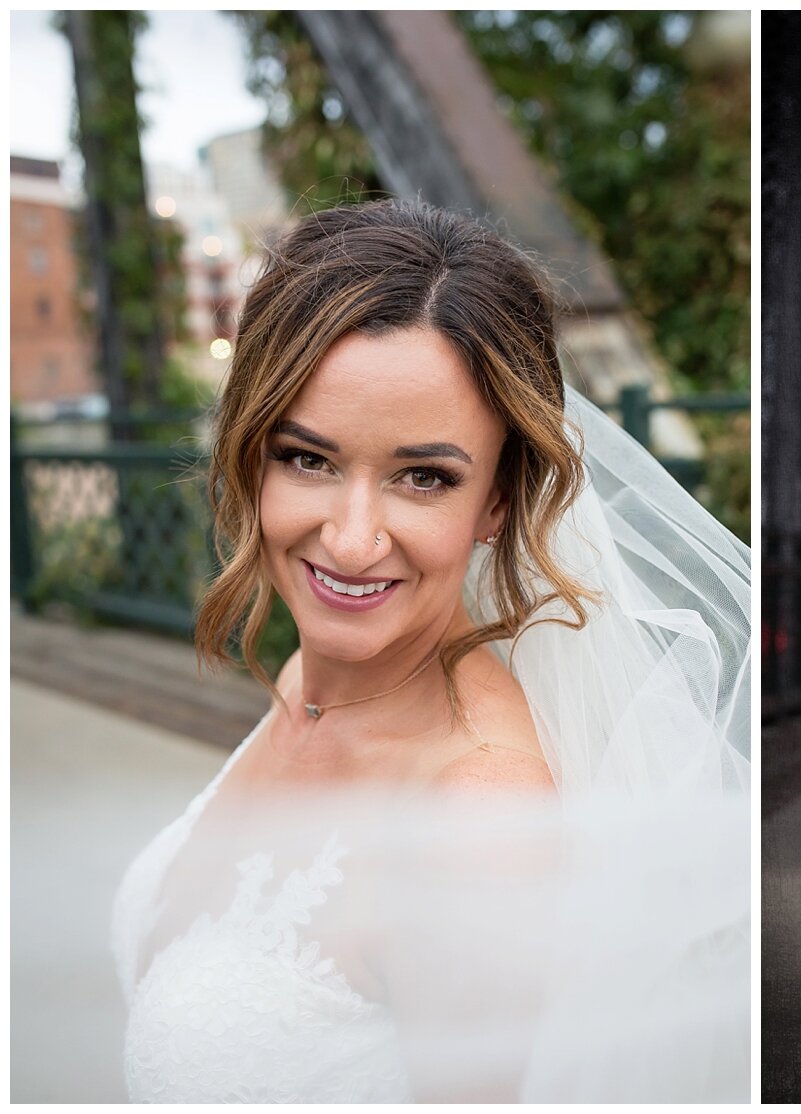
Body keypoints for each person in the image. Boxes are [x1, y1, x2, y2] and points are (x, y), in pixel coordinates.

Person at [110, 200, 750, 1102]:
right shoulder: (312, 678)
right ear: (253, 452)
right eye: (309, 459)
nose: (354, 540)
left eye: (424, 477)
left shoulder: (476, 824)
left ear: (496, 502)